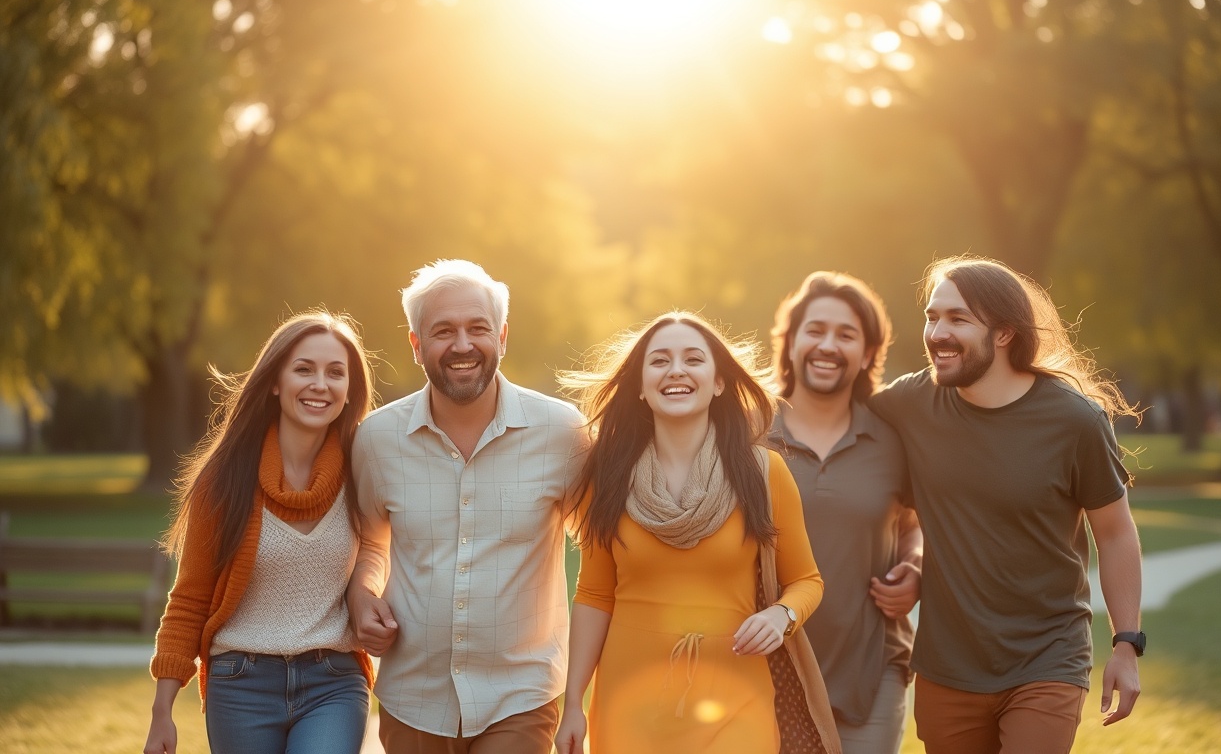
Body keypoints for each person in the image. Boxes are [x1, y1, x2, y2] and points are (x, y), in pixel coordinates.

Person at [868, 255, 1143, 754]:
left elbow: (1116, 533)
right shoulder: (911, 402)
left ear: (1004, 332)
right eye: (932, 316)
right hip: (947, 667)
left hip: (1047, 658)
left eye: (957, 319)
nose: (936, 332)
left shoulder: (1074, 421)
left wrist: (1127, 643)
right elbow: (829, 418)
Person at [553, 312, 833, 754]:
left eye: (693, 359)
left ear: (718, 382)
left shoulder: (764, 473)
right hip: (628, 707)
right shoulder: (606, 478)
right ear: (641, 387)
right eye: (659, 361)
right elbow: (594, 594)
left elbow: (807, 581)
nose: (676, 371)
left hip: (737, 701)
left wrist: (781, 616)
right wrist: (572, 703)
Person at [346, 259, 587, 754]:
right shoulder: (376, 438)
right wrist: (362, 595)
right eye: (442, 331)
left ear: (501, 336)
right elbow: (371, 542)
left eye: (477, 328)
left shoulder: (562, 432)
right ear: (416, 345)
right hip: (412, 697)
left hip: (519, 697)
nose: (462, 345)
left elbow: (604, 549)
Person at [144, 310, 377, 754]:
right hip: (240, 685)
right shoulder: (226, 477)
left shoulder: (364, 471)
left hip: (334, 682)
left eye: (335, 373)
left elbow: (383, 557)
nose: (320, 384)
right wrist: (162, 712)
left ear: (350, 391)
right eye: (303, 369)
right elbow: (190, 597)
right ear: (275, 381)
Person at [769, 271, 922, 753]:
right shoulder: (747, 432)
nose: (828, 345)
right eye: (815, 330)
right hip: (765, 667)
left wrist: (915, 566)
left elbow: (912, 524)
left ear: (869, 354)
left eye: (846, 334)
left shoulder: (895, 437)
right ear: (790, 342)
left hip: (872, 671)